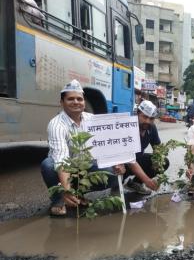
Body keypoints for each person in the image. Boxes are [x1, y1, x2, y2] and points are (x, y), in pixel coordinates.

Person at [40, 80, 125, 216]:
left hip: (84, 166)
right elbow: (62, 160)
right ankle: (58, 199)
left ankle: (79, 195)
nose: (76, 102)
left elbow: (108, 143)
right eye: (70, 99)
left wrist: (118, 162)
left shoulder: (92, 119)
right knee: (48, 165)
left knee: (112, 173)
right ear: (62, 103)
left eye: (79, 99)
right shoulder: (56, 125)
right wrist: (67, 190)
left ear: (84, 103)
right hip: (62, 168)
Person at [125, 100, 169, 195]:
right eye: (145, 117)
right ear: (137, 114)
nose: (147, 121)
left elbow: (157, 149)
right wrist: (147, 181)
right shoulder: (128, 128)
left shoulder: (151, 128)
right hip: (124, 163)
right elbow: (130, 161)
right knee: (114, 183)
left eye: (151, 119)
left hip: (138, 159)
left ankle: (136, 183)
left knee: (164, 161)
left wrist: (160, 174)